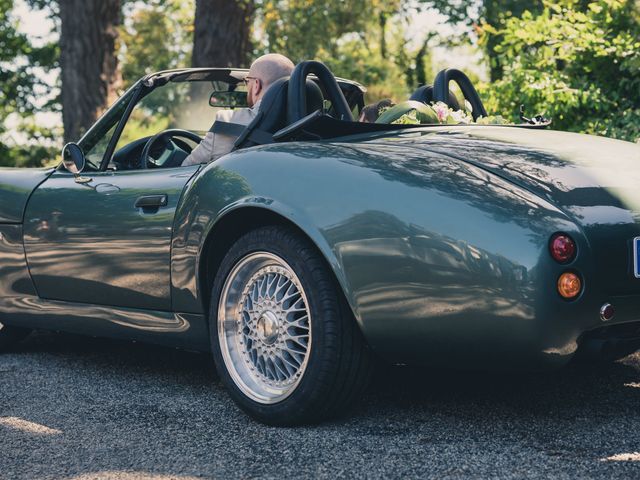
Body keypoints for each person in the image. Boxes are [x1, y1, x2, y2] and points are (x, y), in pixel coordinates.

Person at [182, 53, 295, 166]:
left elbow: (186, 168)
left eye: (247, 82)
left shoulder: (227, 121)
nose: (247, 87)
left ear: (256, 85)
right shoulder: (306, 125)